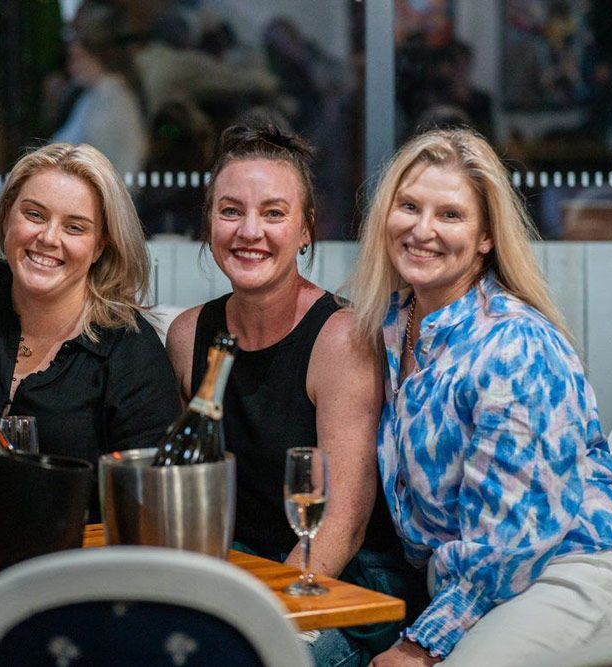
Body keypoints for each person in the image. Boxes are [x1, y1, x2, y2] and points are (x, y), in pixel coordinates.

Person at [347, 128, 612, 666]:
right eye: (409, 206)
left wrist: (420, 645)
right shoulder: (390, 326)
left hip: (572, 571)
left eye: (450, 215)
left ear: (486, 237)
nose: (422, 229)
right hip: (474, 586)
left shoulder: (515, 346)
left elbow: (513, 542)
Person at [165, 122, 424, 666]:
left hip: (338, 585)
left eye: (274, 213)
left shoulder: (341, 338)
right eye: (230, 211)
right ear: (209, 223)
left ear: (306, 230)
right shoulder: (188, 336)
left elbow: (342, 527)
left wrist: (259, 622)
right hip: (241, 571)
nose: (249, 231)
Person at [0, 142, 181, 521]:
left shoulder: (131, 351)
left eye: (75, 227)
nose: (49, 238)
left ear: (100, 246)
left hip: (82, 551)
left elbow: (151, 502)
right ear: (7, 216)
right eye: (34, 215)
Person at [50, 2, 147, 177]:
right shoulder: (92, 98)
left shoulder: (113, 101)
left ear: (92, 55)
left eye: (75, 57)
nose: (70, 66)